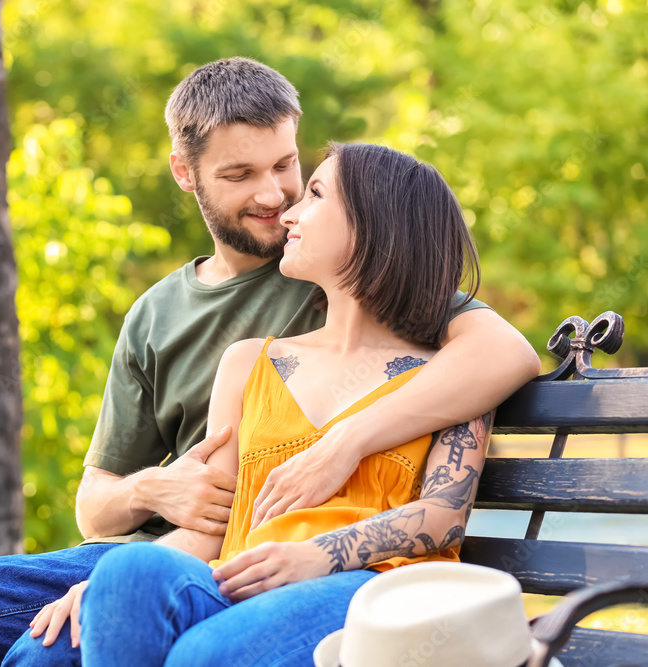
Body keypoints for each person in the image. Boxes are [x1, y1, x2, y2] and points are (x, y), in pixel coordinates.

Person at [0, 58, 539, 666]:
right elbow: (101, 507)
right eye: (241, 173)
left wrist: (342, 452)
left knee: (78, 640)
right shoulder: (207, 339)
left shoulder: (426, 331)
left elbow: (498, 369)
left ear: (371, 234)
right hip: (172, 563)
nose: (277, 198)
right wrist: (151, 492)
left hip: (294, 576)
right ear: (186, 174)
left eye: (293, 170)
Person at [72, 141, 504, 666]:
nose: (290, 213)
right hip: (240, 575)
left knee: (205, 655)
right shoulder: (249, 363)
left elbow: (443, 518)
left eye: (315, 193)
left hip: (371, 589)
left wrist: (315, 555)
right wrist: (100, 590)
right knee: (123, 578)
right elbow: (215, 530)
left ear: (374, 226)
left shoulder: (450, 373)